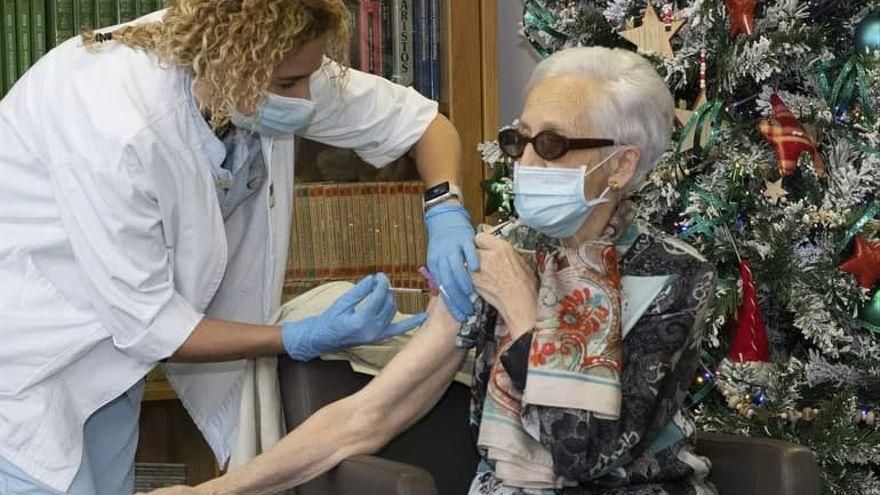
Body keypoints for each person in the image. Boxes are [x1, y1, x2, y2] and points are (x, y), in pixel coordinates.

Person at [139, 46, 718, 495]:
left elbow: (583, 454)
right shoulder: (503, 252)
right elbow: (373, 412)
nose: (525, 162)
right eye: (518, 140)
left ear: (620, 166)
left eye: (551, 143)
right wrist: (215, 490)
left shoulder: (673, 275)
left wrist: (523, 313)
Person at [0, 1, 479, 493]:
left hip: (112, 366)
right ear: (229, 67)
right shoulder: (118, 125)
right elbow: (151, 326)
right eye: (289, 84)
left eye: (309, 76)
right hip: (27, 361)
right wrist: (296, 336)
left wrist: (444, 208)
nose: (306, 99)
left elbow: (422, 125)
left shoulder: (273, 66)